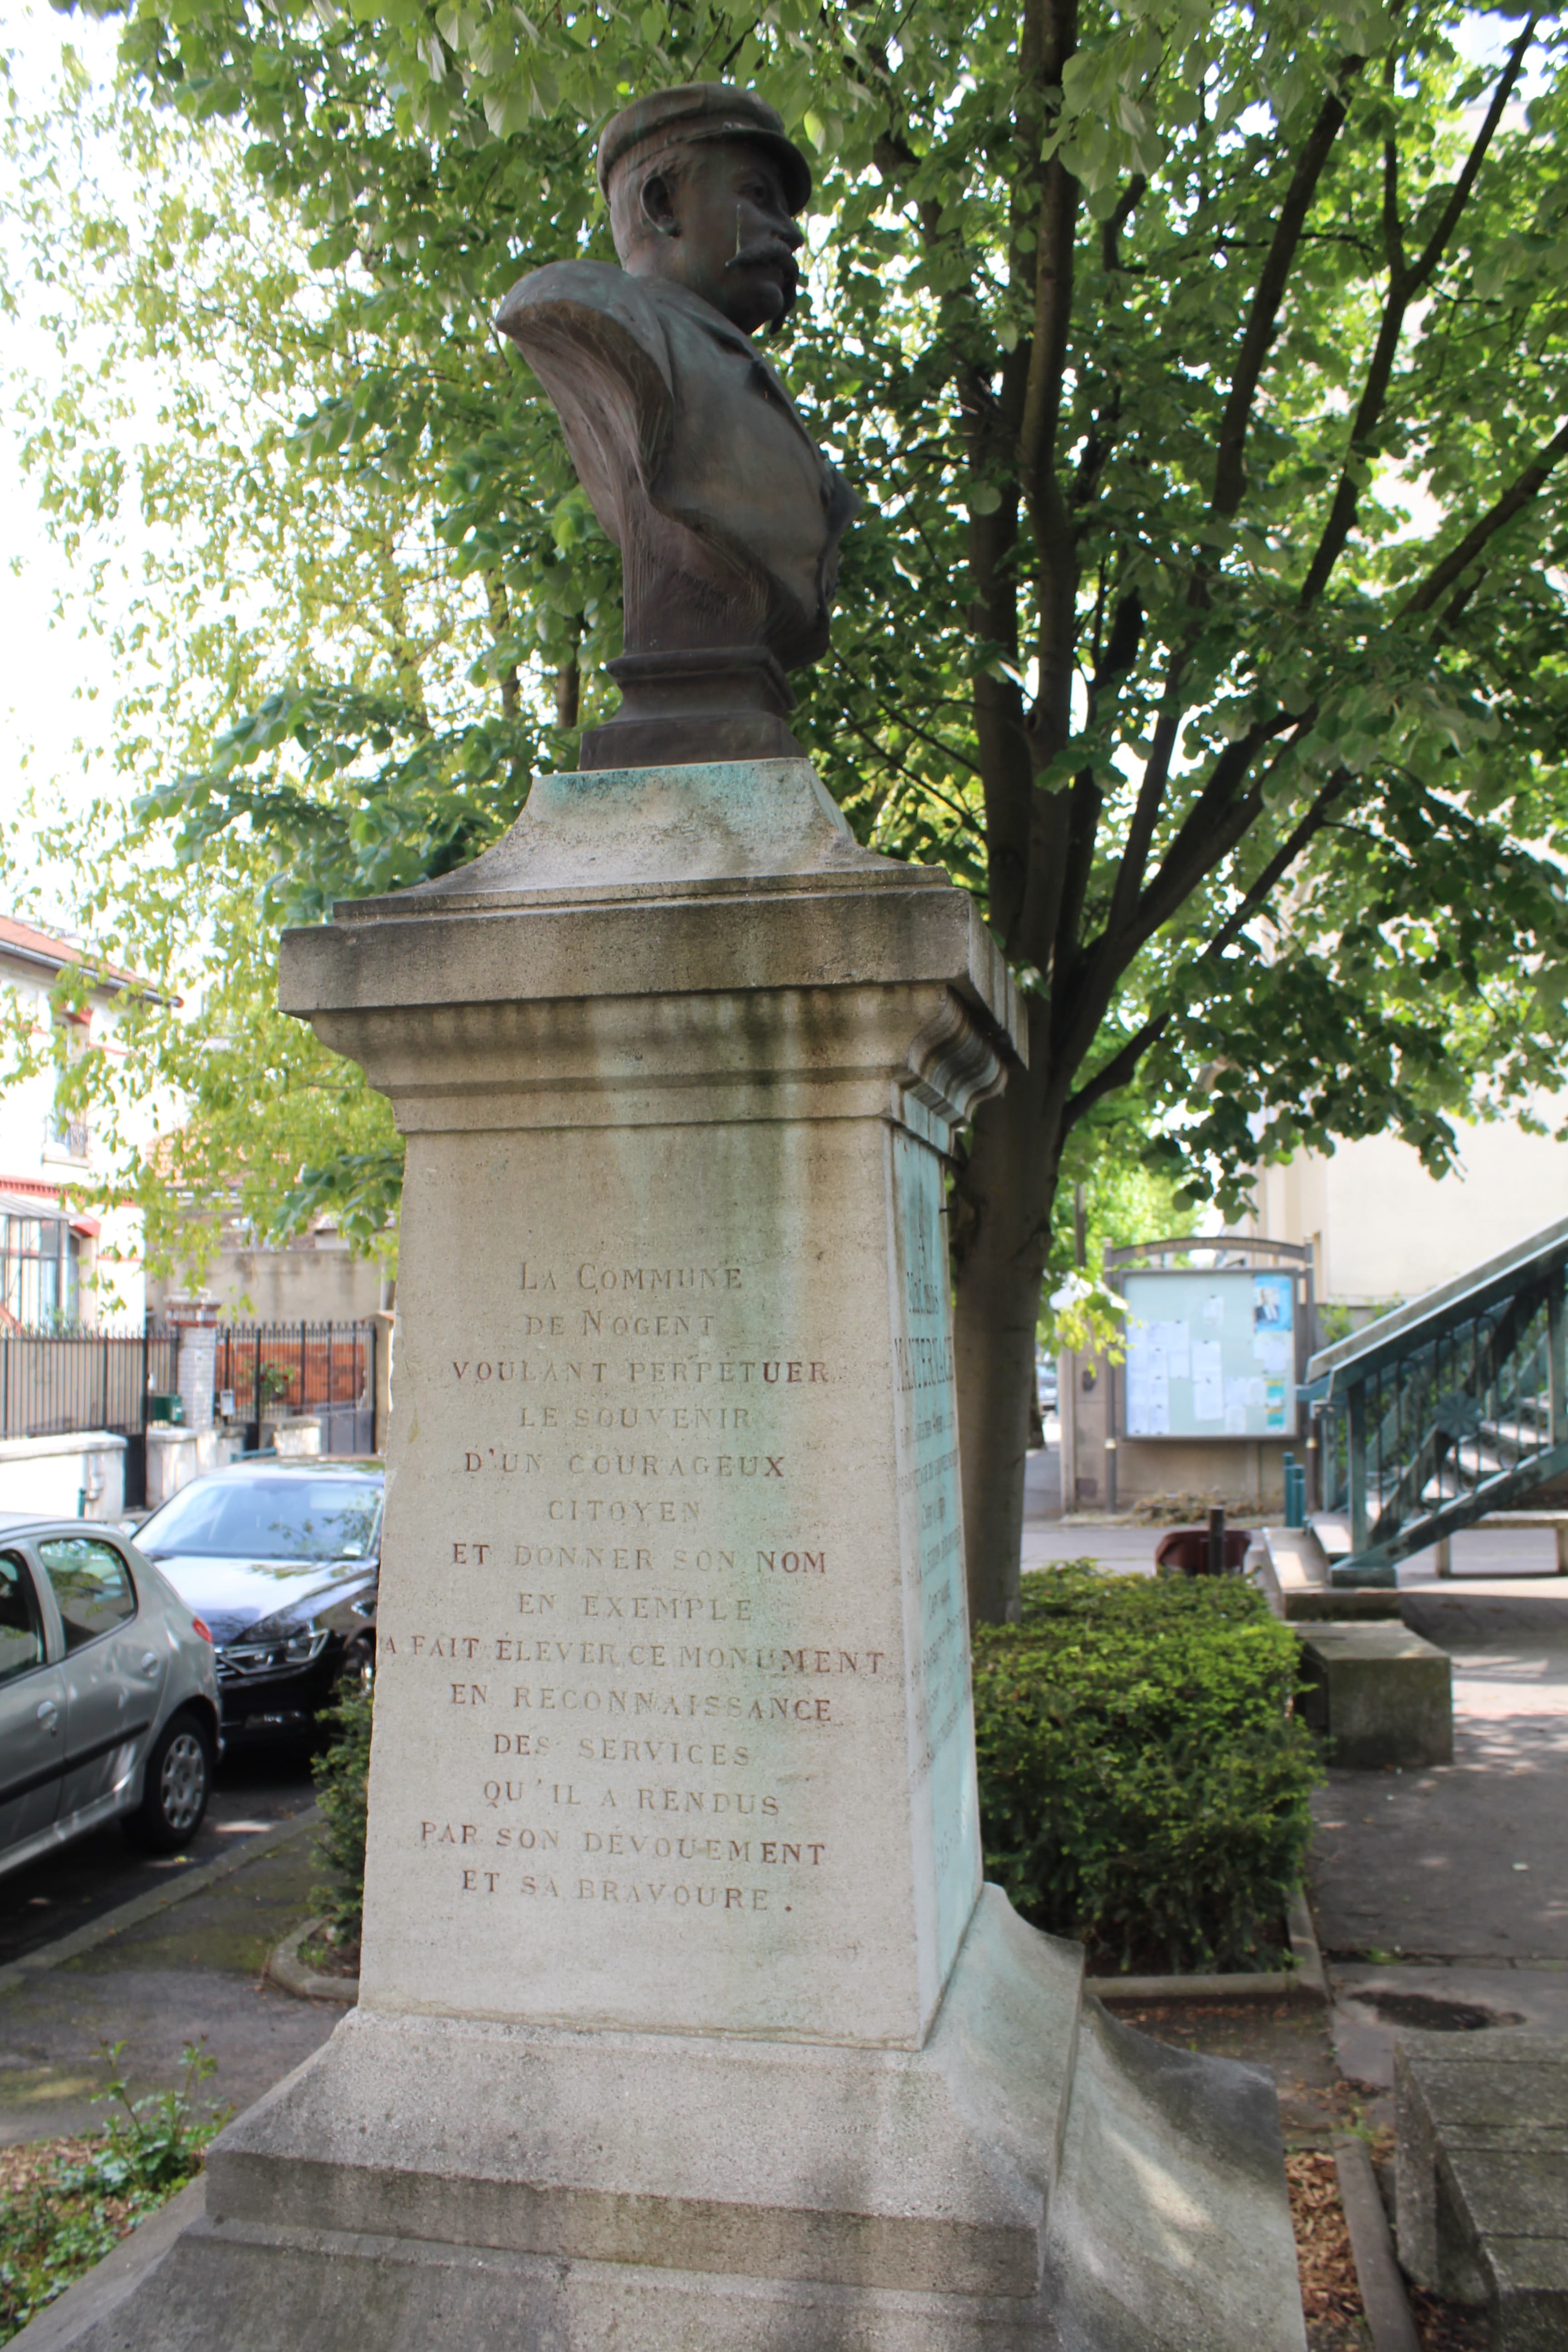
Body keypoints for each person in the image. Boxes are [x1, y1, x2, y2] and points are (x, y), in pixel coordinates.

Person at [495, 84, 856, 737]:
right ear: (664, 205)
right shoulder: (597, 318)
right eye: (757, 197)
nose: (792, 233)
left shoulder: (746, 380)